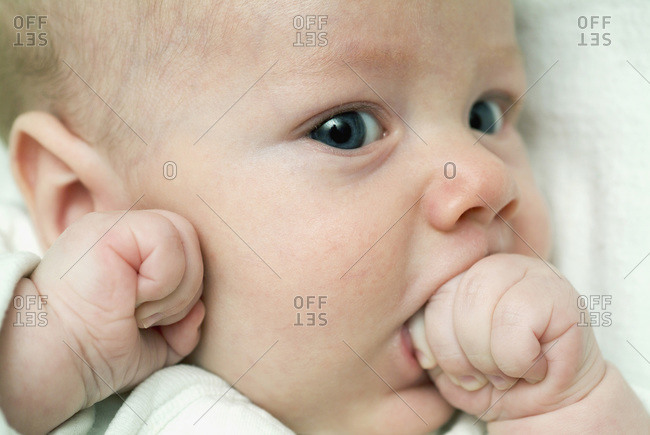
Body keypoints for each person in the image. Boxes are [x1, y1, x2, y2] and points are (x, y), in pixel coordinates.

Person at [0, 0, 648, 433]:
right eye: (345, 130)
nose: (484, 178)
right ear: (85, 207)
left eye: (486, 113)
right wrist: (46, 359)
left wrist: (569, 402)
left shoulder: (501, 405)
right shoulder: (71, 379)